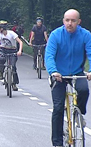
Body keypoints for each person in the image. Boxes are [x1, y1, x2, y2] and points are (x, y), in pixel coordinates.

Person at [45, 9, 91, 147]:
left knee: (84, 90)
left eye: (73, 20)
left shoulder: (86, 35)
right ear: (63, 21)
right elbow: (49, 55)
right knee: (58, 108)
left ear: (79, 22)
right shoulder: (56, 35)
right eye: (67, 20)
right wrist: (53, 71)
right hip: (59, 74)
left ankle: (79, 113)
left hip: (77, 72)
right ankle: (57, 143)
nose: (70, 23)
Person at [0, 20, 23, 91]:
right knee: (0, 59)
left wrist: (19, 51)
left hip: (12, 50)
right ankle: (1, 72)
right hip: (3, 49)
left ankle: (14, 84)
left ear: (2, 28)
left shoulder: (11, 33)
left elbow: (20, 42)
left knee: (13, 67)